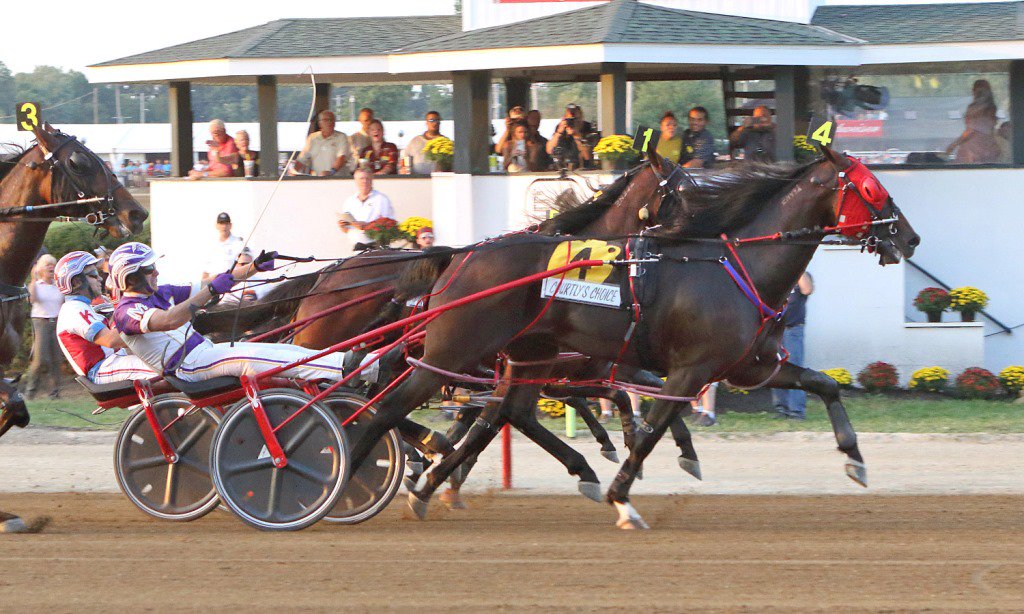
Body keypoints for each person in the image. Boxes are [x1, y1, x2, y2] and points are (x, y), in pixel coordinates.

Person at [108, 242, 380, 384]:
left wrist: (254, 268)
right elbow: (169, 320)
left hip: (205, 352)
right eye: (149, 269)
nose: (156, 272)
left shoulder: (160, 292)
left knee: (286, 351)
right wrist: (211, 291)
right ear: (130, 277)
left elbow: (211, 283)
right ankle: (364, 368)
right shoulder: (126, 312)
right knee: (264, 357)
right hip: (188, 367)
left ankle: (363, 363)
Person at [53, 251, 156, 384]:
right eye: (93, 275)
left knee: (168, 360)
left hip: (114, 361)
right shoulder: (73, 309)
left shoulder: (84, 306)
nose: (100, 279)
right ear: (77, 282)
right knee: (164, 368)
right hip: (101, 369)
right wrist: (150, 325)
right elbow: (109, 340)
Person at [773, 272, 814, 420]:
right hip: (776, 330)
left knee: (794, 369)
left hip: (793, 330)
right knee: (776, 369)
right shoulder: (780, 276)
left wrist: (800, 270)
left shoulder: (803, 276)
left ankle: (796, 410)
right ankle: (782, 408)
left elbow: (807, 290)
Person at [25, 255, 64, 399]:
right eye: (47, 264)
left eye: (52, 264)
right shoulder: (36, 285)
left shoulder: (58, 286)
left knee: (56, 359)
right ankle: (30, 392)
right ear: (41, 268)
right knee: (40, 360)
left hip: (57, 322)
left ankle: (54, 393)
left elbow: (63, 303)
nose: (51, 267)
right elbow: (31, 300)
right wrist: (33, 279)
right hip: (41, 322)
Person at [946, 79, 1001, 164]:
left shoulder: (975, 109)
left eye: (975, 90)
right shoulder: (992, 109)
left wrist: (953, 145)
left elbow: (971, 131)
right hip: (990, 148)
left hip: (974, 149)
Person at [338, 168, 395, 248]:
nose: (364, 181)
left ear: (372, 180)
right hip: (357, 248)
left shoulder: (382, 199)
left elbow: (390, 224)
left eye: (367, 178)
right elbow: (347, 230)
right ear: (356, 181)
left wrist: (367, 226)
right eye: (361, 178)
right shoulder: (349, 201)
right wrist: (342, 226)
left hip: (377, 247)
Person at [293, 110, 351, 176]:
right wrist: (293, 172)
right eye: (326, 120)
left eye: (332, 120)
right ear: (320, 123)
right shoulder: (312, 138)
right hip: (319, 179)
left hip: (337, 178)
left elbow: (341, 157)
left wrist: (331, 172)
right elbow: (302, 159)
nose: (329, 122)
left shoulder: (341, 137)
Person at [546, 103, 595, 169]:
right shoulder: (561, 127)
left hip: (582, 167)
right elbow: (549, 150)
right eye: (569, 119)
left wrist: (577, 135)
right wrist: (558, 132)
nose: (572, 122)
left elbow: (587, 157)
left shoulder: (588, 127)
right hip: (563, 166)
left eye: (575, 119)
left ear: (581, 117)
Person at [201, 212, 245, 282]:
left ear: (230, 225)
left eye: (226, 223)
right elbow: (206, 272)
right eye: (221, 223)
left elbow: (243, 268)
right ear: (216, 226)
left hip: (231, 285)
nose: (224, 226)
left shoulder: (239, 244)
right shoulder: (211, 245)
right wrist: (202, 287)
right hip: (213, 285)